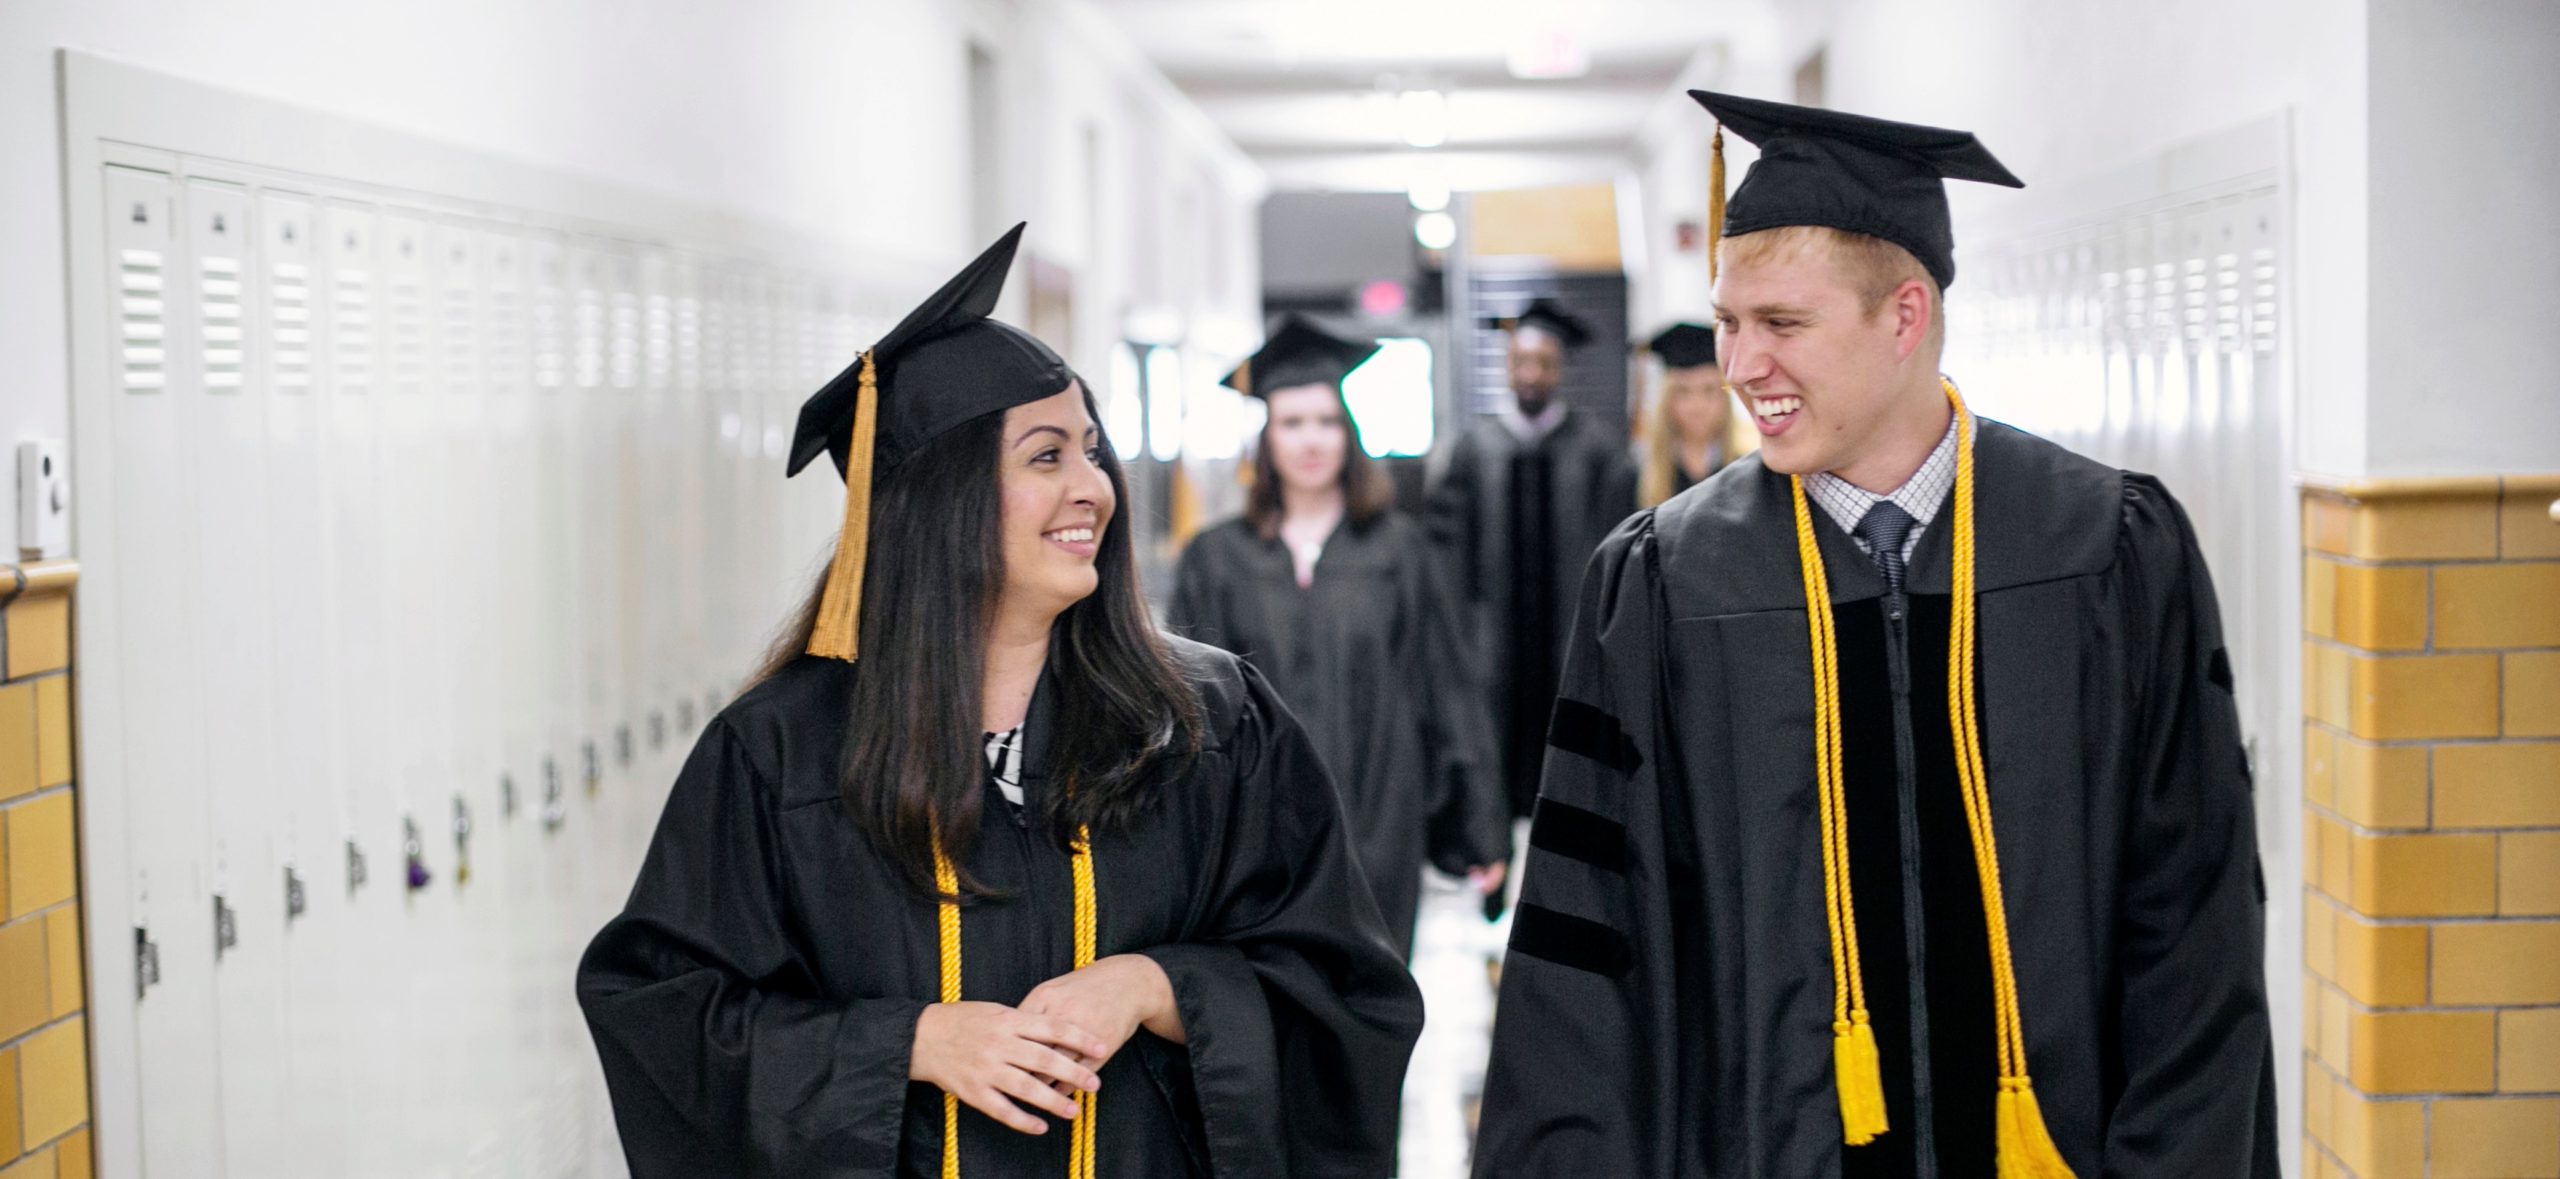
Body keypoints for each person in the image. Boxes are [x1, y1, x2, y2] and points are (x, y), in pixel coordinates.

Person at [1475, 93, 2278, 1177]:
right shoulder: (1665, 583)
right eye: (1727, 321)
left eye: (1781, 325)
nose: (1738, 365)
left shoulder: (2105, 550)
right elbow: (1586, 964)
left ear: (1903, 317)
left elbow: (2195, 923)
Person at [578, 225, 1423, 1179]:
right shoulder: (783, 753)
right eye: (1046, 457)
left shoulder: (1210, 723)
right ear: (940, 502)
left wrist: (1160, 985)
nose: (1093, 489)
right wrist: (908, 1045)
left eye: (1092, 452)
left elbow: (1347, 991)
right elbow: (665, 1015)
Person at [1166, 313, 1511, 955]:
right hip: (1259, 838)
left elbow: (1450, 690)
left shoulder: (1402, 552)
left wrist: (1481, 825)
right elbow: (1192, 716)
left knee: (1375, 1004)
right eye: (1292, 423)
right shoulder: (1216, 559)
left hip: (1380, 820)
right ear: (1266, 437)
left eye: (1327, 421)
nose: (1311, 441)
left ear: (1350, 433)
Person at [1425, 298, 1637, 822]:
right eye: (1521, 361)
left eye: (1543, 362)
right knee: (1492, 748)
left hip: (1569, 638)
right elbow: (1447, 553)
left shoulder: (1597, 452)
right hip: (1491, 644)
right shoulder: (1473, 450)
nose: (1531, 374)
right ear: (1506, 367)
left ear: (1560, 369)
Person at [1634, 322, 1733, 507]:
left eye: (1709, 390)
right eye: (1683, 392)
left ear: (1725, 399)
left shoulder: (1745, 474)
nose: (1697, 406)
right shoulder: (1634, 478)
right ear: (1666, 400)